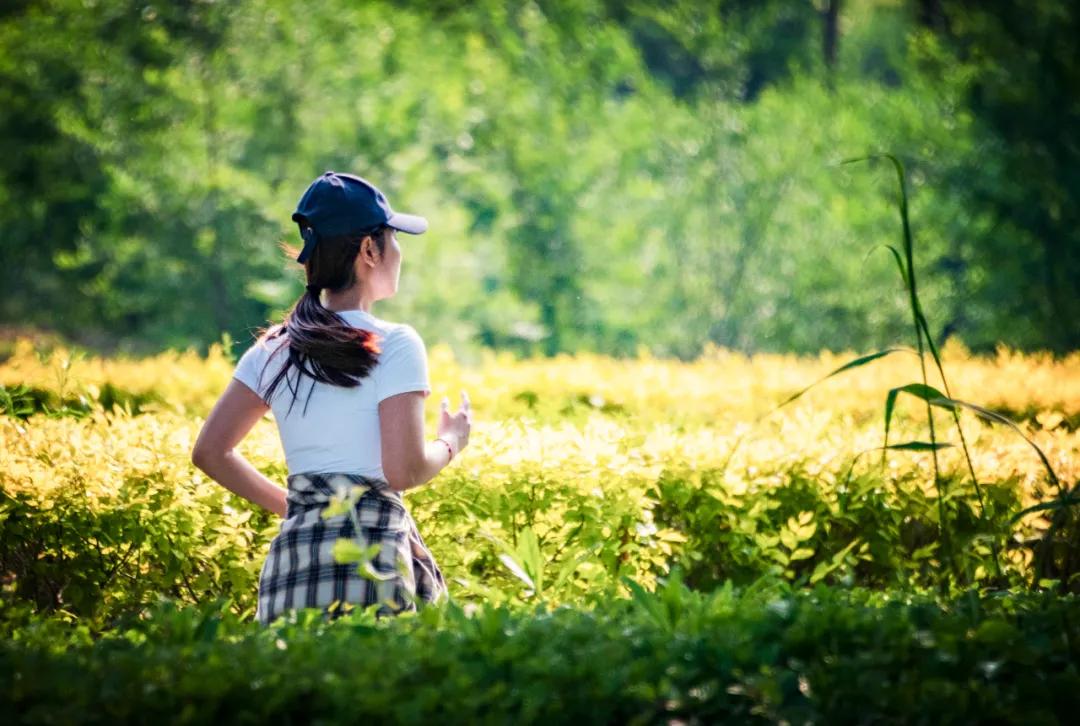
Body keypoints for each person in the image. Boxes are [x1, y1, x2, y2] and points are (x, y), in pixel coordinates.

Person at [191, 170, 471, 625]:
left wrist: (300, 507)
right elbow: (404, 470)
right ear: (368, 250)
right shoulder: (396, 343)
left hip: (293, 567)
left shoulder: (274, 347)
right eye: (393, 238)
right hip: (372, 560)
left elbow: (210, 452)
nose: (399, 252)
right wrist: (451, 441)